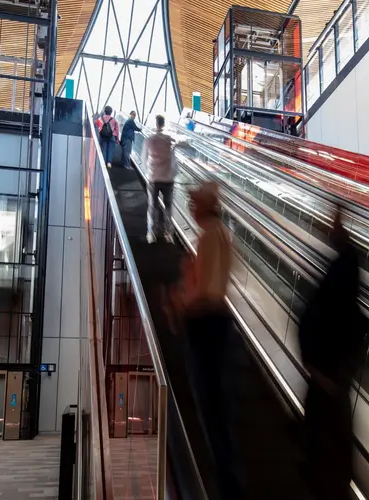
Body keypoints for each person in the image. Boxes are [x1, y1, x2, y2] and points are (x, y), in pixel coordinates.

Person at [298, 208, 369, 500]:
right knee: (334, 436)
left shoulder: (342, 270)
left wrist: (319, 365)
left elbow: (323, 315)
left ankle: (321, 484)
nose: (329, 227)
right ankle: (330, 483)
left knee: (324, 434)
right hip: (333, 373)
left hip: (328, 373)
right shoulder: (346, 269)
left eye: (334, 223)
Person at [182, 181, 242, 500]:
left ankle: (224, 481)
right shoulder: (223, 233)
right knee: (222, 406)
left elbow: (202, 290)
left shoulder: (207, 237)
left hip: (205, 324)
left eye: (194, 202)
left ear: (205, 205)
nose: (191, 207)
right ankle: (229, 477)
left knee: (210, 404)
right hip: (222, 321)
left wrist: (179, 303)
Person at [143, 114, 176, 243]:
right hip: (168, 179)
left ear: (156, 124)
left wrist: (148, 172)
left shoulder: (149, 140)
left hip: (153, 178)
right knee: (168, 207)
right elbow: (173, 160)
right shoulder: (169, 140)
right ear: (163, 124)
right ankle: (168, 233)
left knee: (152, 206)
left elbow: (144, 158)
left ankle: (151, 233)